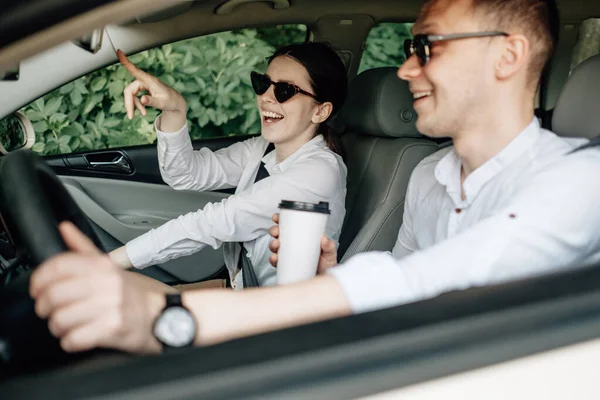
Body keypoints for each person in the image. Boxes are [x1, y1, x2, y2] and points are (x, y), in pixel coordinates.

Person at [29, 0, 600, 354]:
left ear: (507, 56)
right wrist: (331, 270)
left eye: (427, 48)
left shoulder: (579, 182)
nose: (405, 70)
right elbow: (390, 279)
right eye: (409, 49)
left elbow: (423, 285)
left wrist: (165, 319)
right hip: (391, 353)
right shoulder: (429, 174)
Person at [108, 42, 348, 289]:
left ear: (320, 112)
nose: (265, 97)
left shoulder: (319, 173)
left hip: (277, 312)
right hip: (240, 289)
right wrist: (175, 110)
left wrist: (109, 262)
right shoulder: (262, 148)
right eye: (263, 84)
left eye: (285, 90)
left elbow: (216, 221)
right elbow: (185, 174)